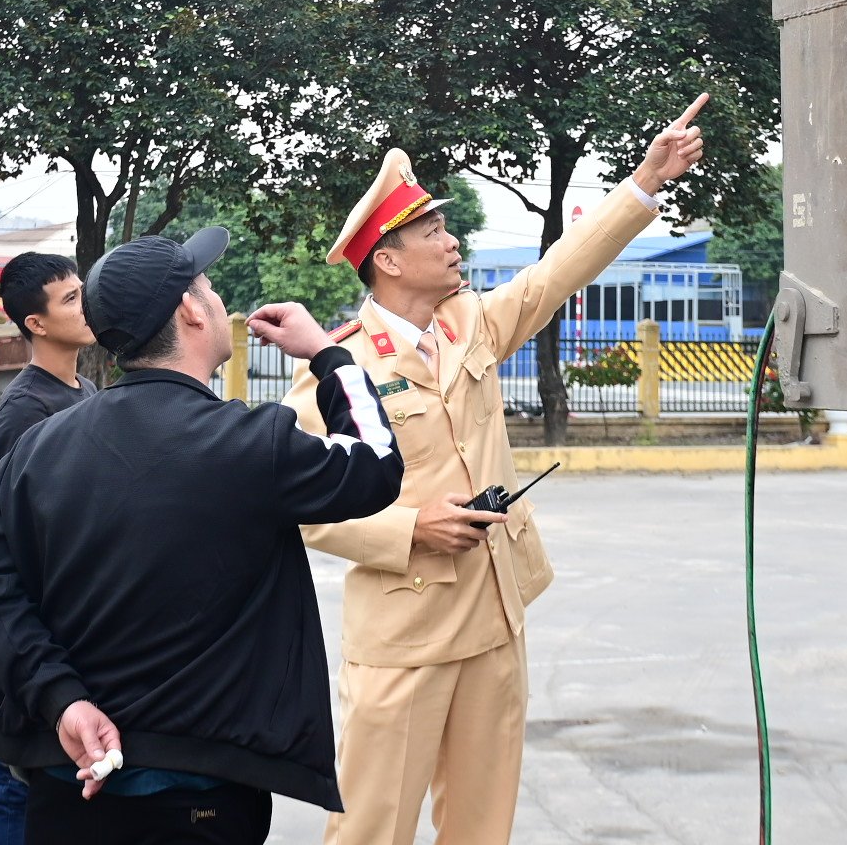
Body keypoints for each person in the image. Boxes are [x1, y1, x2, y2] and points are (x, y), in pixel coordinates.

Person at [284, 100, 707, 845]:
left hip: (494, 615)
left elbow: (556, 275)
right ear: (387, 259)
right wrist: (414, 526)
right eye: (433, 233)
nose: (452, 244)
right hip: (405, 631)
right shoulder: (340, 366)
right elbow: (305, 508)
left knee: (483, 824)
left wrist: (644, 181)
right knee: (372, 826)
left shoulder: (471, 324)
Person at [0, 226, 405, 844]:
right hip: (200, 797)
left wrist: (61, 698)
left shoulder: (39, 445)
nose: (219, 301)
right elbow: (377, 464)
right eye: (211, 289)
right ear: (192, 311)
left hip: (68, 783)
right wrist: (329, 356)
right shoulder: (253, 444)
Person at [0, 251, 96, 845]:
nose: (86, 304)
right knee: (20, 789)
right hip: (41, 654)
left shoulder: (85, 391)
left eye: (83, 291)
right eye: (71, 298)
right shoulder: (24, 412)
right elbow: (17, 552)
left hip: (74, 652)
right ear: (36, 324)